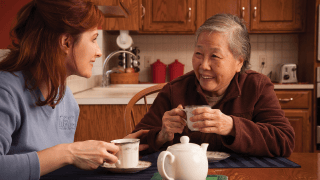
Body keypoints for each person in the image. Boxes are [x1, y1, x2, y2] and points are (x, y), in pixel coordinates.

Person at [0, 0, 148, 179]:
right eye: (94, 39)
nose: (99, 51)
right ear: (66, 42)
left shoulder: (66, 98)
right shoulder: (5, 90)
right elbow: (64, 155)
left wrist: (108, 151)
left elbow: (56, 164)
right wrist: (69, 153)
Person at [133, 13, 295, 157]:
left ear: (239, 62)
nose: (203, 65)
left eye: (215, 56)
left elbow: (284, 141)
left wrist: (232, 126)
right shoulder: (174, 90)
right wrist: (161, 135)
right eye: (198, 54)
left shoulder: (257, 86)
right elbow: (133, 143)